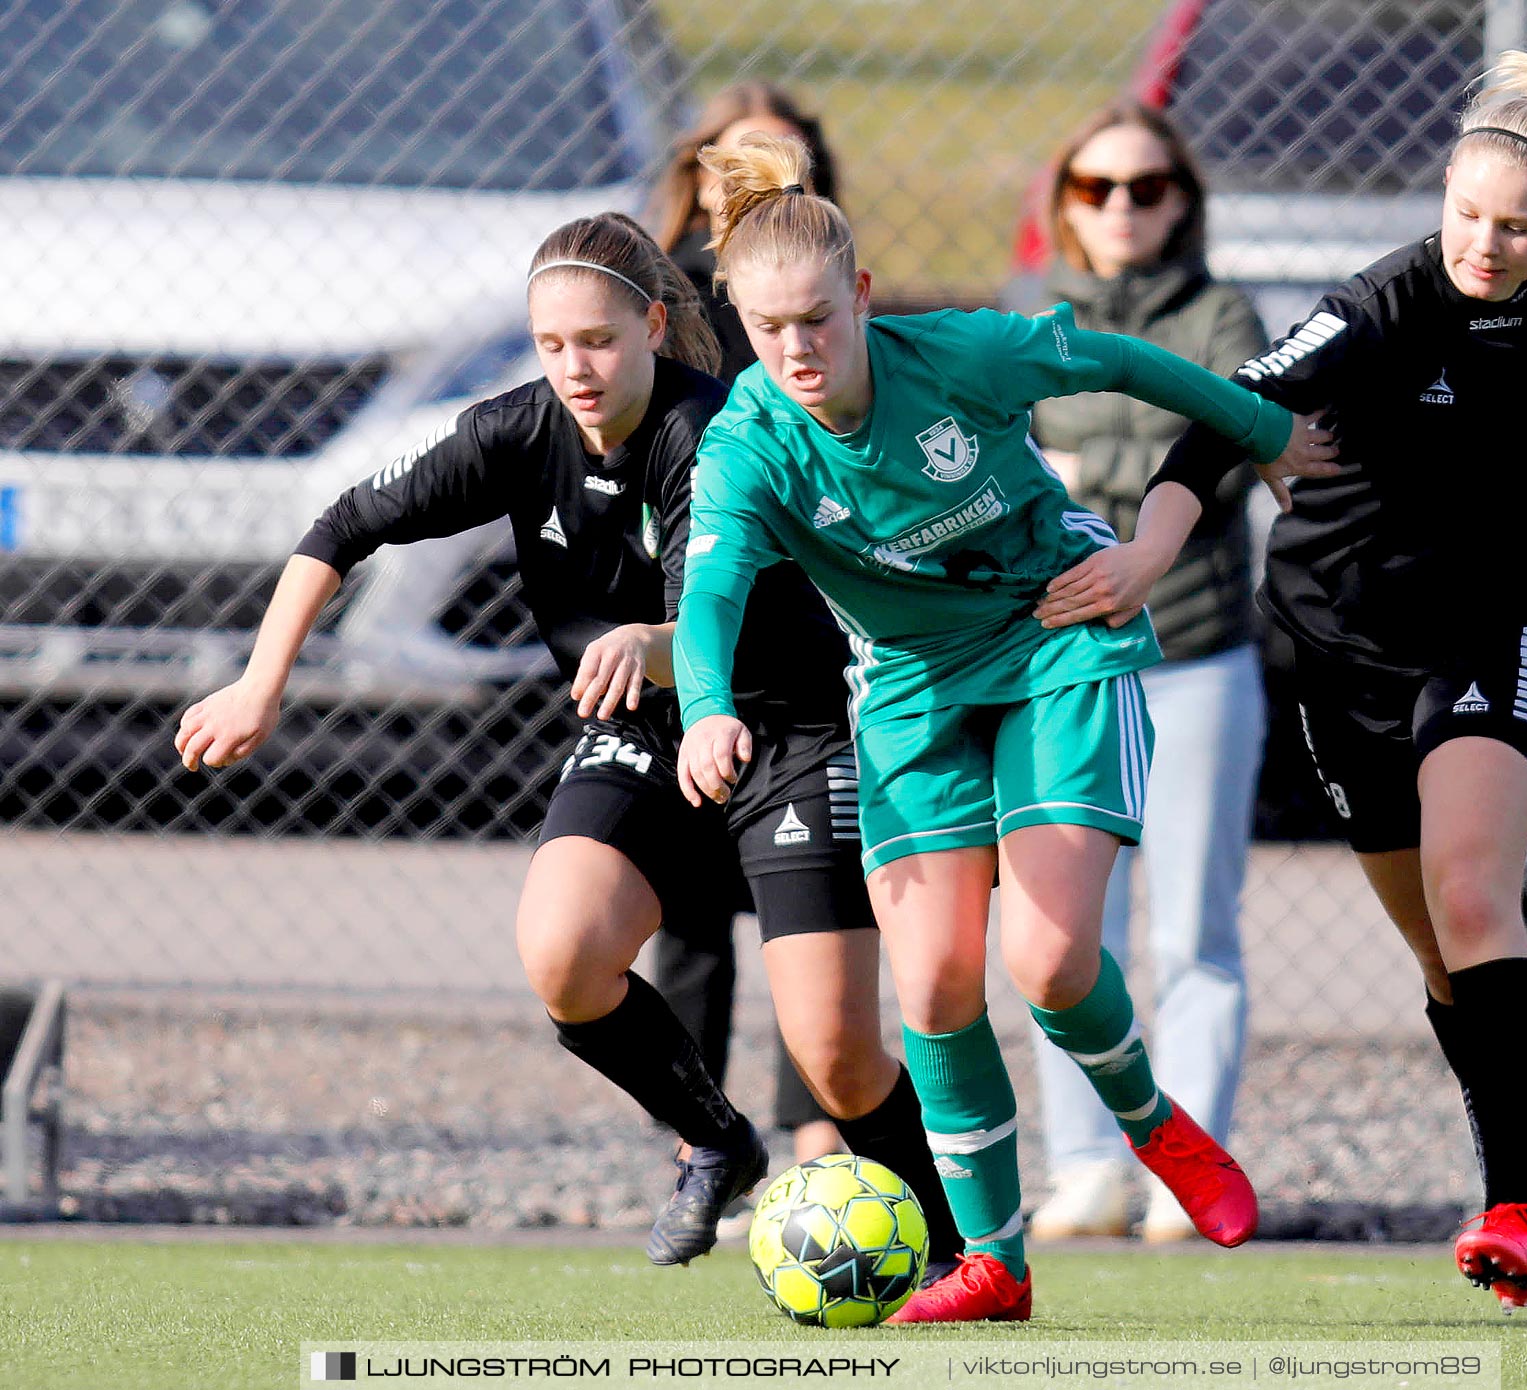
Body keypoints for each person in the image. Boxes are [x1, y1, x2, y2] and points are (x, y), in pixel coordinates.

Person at [173, 212, 961, 1277]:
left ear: (650, 323)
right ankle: (719, 1142)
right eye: (551, 345)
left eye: (596, 340)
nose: (575, 369)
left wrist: (651, 638)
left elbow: (713, 617)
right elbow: (340, 528)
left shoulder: (711, 434)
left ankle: (966, 1258)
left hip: (781, 731)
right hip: (641, 735)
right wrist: (262, 682)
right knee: (565, 956)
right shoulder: (513, 431)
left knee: (839, 1055)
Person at [671, 132, 1337, 1323]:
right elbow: (710, 591)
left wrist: (1265, 430)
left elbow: (1125, 359)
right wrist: (708, 706)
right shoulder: (749, 441)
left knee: (1047, 961)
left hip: (1054, 639)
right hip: (915, 691)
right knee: (930, 987)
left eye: (818, 319)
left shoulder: (962, 353)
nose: (796, 349)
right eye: (768, 329)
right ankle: (996, 1263)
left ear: (862, 296)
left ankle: (1152, 1121)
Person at [1036, 52, 1527, 1323]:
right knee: (1443, 954)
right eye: (1466, 215)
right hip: (1335, 645)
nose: (1485, 241)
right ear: (1442, 200)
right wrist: (1148, 546)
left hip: (1489, 626)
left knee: (1477, 899)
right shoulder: (1376, 307)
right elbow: (1222, 413)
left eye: (1516, 225)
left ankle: (1522, 1204)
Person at [1018, 101, 1269, 1243]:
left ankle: (1188, 1161)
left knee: (1194, 934)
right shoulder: (1032, 321)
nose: (1124, 208)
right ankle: (1085, 1165)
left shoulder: (1224, 314)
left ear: (1184, 200)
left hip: (1197, 651)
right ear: (1067, 203)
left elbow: (1224, 448)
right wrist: (1131, 457)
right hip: (1068, 667)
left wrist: (1090, 460)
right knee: (1070, 932)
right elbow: (1017, 472)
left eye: (1149, 187)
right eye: (1097, 187)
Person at [646, 83, 846, 1167]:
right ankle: (700, 1130)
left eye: (782, 157)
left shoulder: (825, 294)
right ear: (697, 169)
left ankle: (817, 1116)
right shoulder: (657, 301)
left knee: (808, 902)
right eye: (734, 159)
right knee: (690, 903)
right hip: (700, 625)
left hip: (809, 640)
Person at [650, 82, 841, 383]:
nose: (769, 187)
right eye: (744, 169)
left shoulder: (830, 274)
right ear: (703, 181)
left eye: (786, 163)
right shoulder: (672, 295)